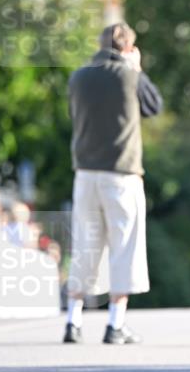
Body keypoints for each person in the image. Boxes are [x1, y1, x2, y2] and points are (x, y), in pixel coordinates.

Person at [65, 22, 163, 344]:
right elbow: (153, 106)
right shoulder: (129, 76)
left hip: (85, 173)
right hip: (122, 174)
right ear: (128, 48)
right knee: (125, 247)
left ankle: (73, 321)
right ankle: (115, 324)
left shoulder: (78, 77)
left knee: (86, 243)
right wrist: (136, 68)